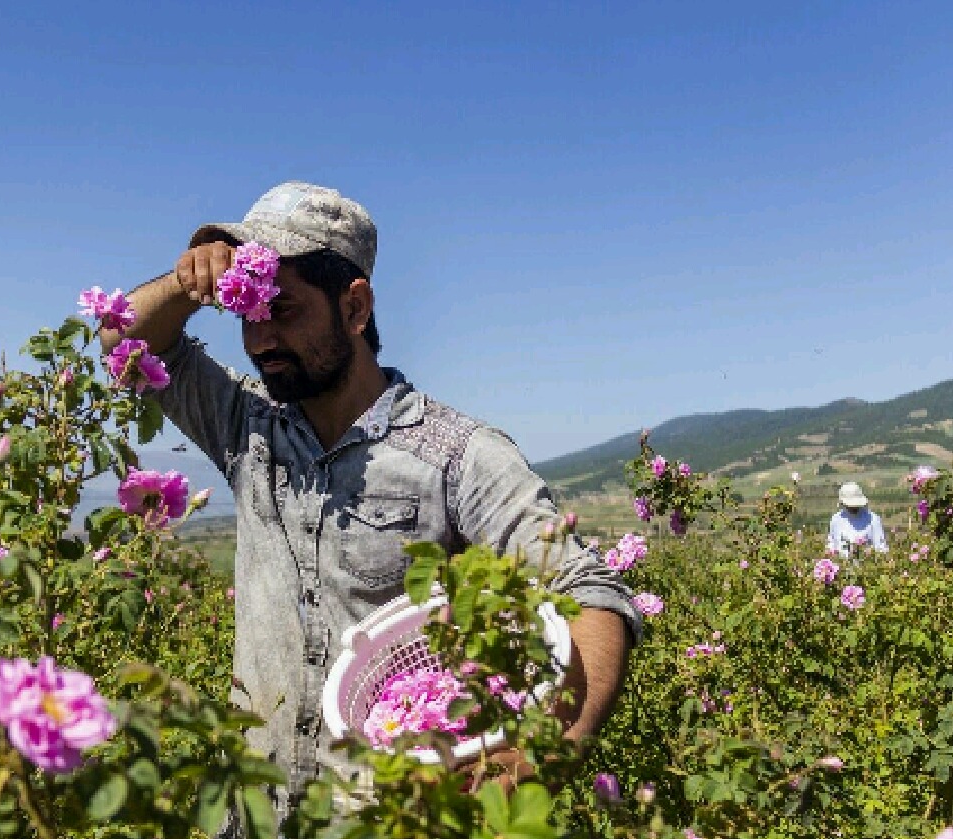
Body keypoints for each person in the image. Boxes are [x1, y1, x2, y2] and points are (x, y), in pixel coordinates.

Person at [102, 179, 639, 803]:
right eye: (248, 314)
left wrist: (538, 763)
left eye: (283, 310)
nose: (258, 342)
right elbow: (126, 342)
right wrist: (185, 281)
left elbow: (591, 594)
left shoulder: (458, 457)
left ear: (355, 308)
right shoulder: (247, 428)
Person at [826, 481, 888, 556]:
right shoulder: (836, 520)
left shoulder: (873, 520)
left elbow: (881, 547)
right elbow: (832, 543)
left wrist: (871, 552)